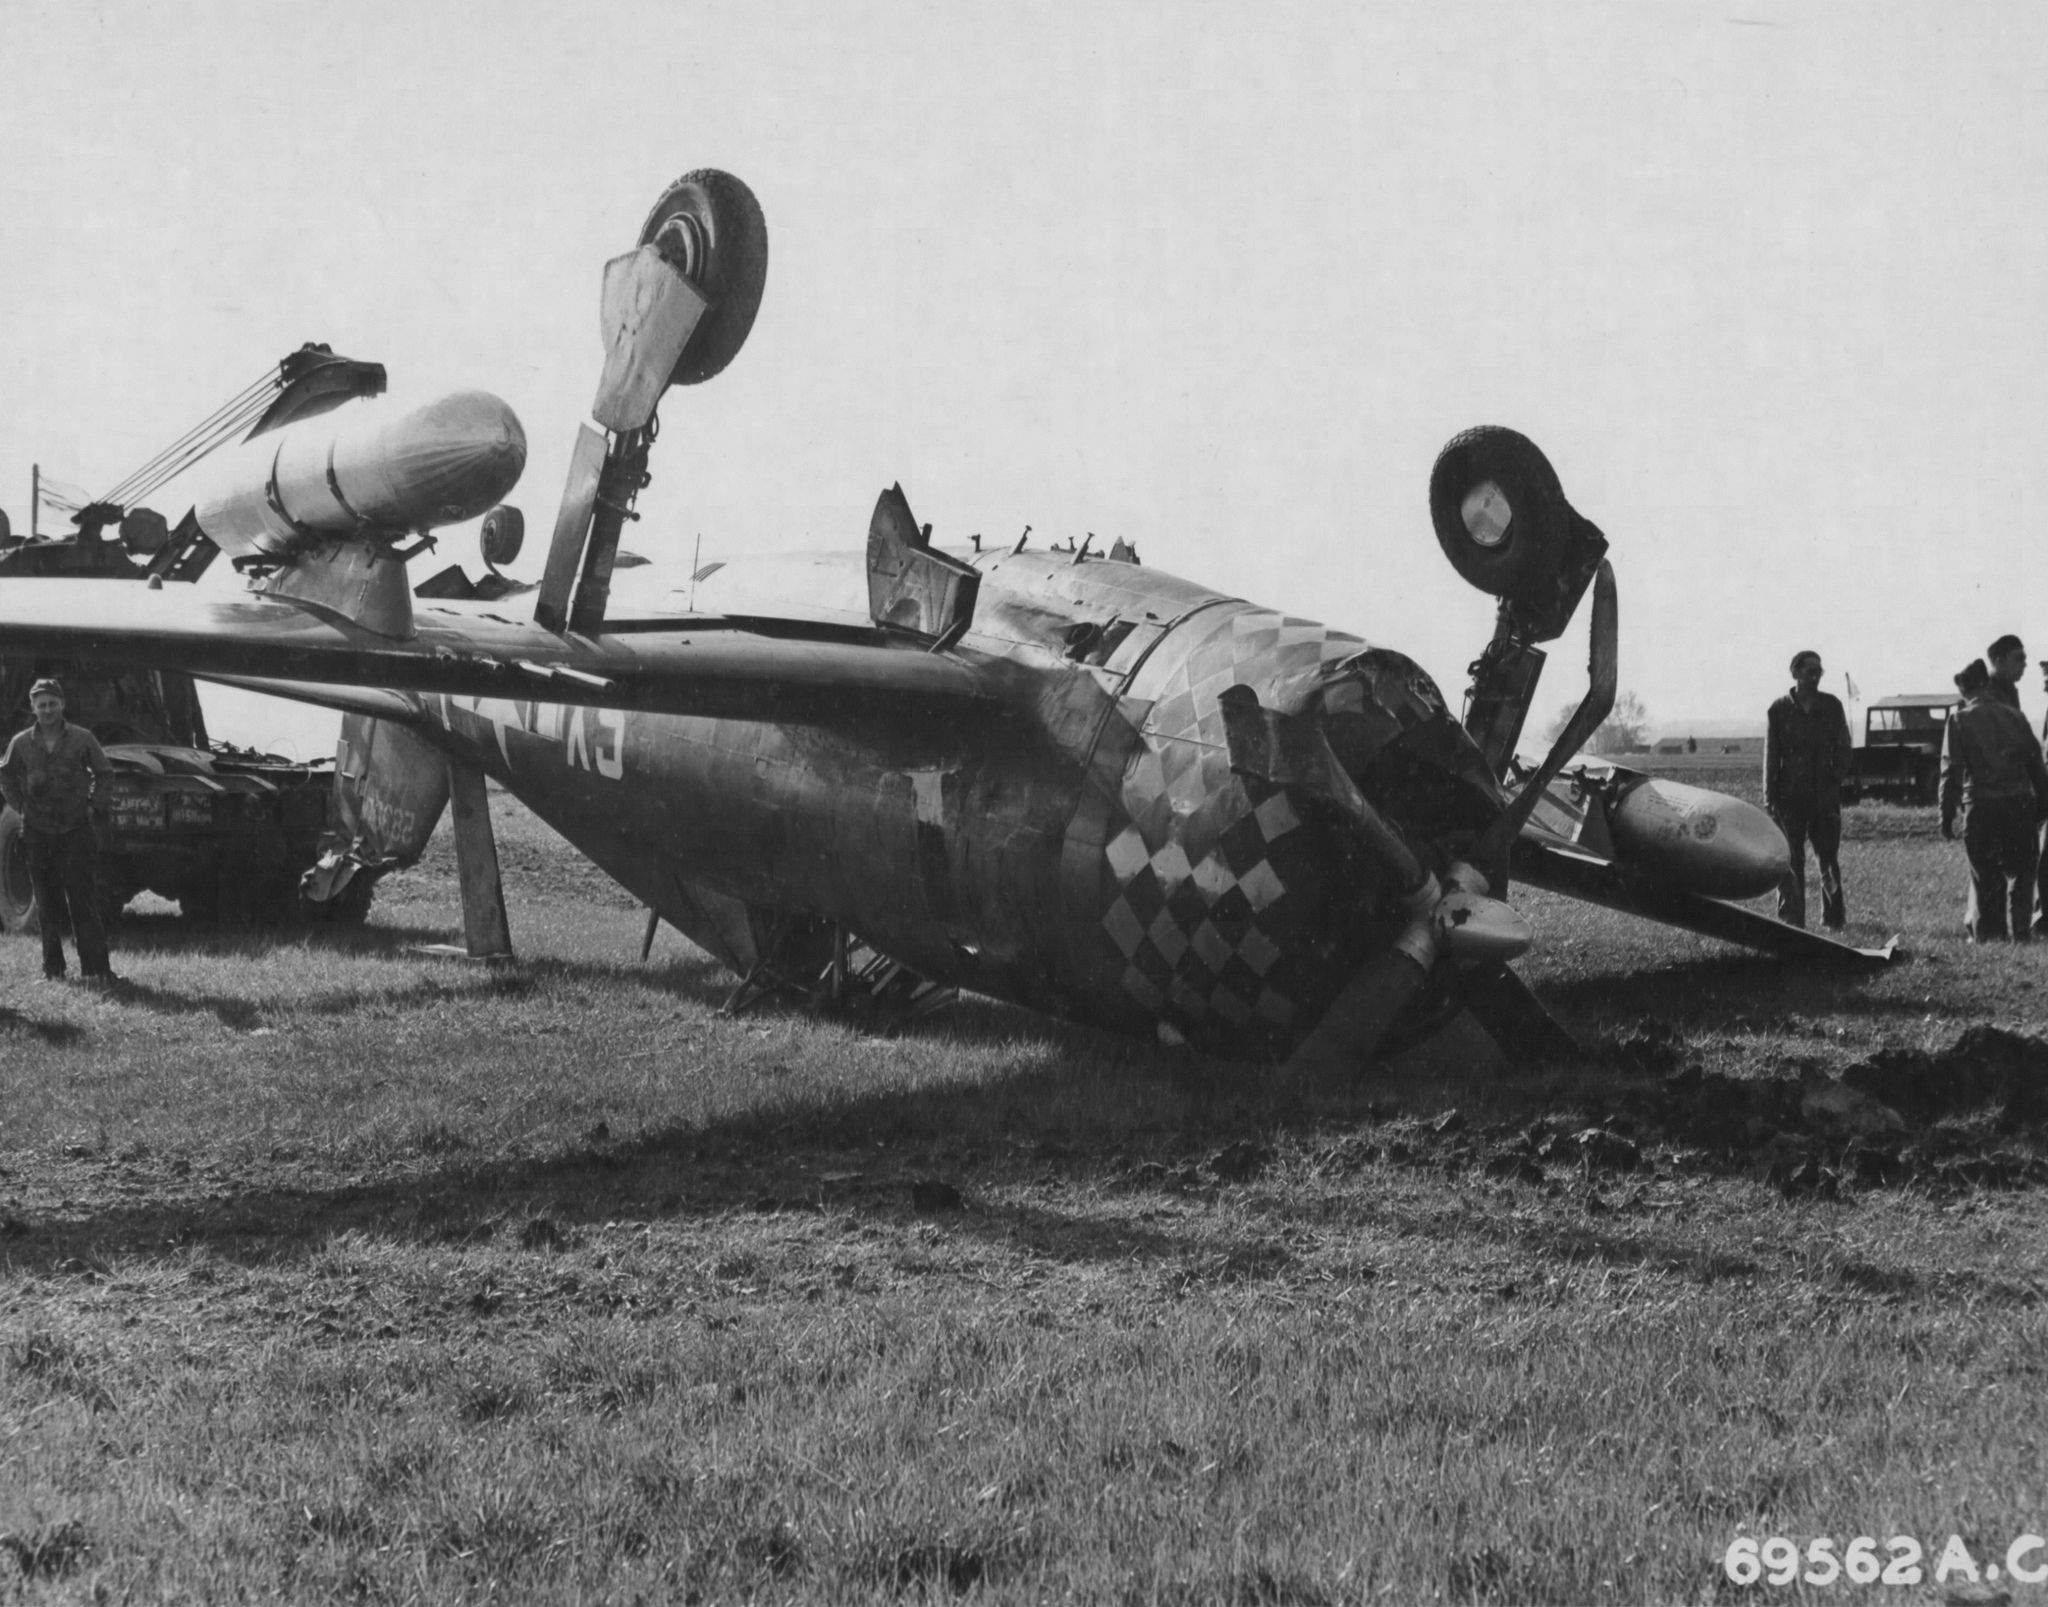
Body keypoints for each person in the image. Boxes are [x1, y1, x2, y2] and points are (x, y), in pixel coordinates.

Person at [0, 678, 116, 981]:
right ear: (33, 708)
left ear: (62, 704)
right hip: (38, 832)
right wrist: (21, 806)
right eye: (42, 705)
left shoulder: (82, 738)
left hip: (76, 829)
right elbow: (6, 775)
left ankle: (96, 970)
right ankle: (53, 970)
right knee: (47, 903)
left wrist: (94, 806)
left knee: (83, 899)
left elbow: (104, 773)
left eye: (53, 703)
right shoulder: (22, 742)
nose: (48, 710)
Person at [1938, 658, 2048, 942]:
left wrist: (1946, 812)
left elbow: (1951, 772)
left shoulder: (1960, 719)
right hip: (2019, 802)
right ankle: (2021, 932)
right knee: (2023, 871)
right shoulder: (2015, 716)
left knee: (1986, 874)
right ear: (1985, 683)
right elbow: (2036, 762)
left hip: (1982, 806)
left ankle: (1991, 935)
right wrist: (2043, 803)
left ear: (1964, 691)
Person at [1763, 649, 1852, 929]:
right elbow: (1771, 755)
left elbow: (1845, 747)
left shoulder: (1833, 706)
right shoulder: (1778, 710)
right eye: (1810, 671)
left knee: (1828, 860)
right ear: (1795, 673)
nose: (1815, 677)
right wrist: (1769, 797)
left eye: (1819, 672)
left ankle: (1834, 918)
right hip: (1789, 800)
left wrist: (1834, 777)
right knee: (1790, 862)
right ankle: (1791, 920)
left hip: (1824, 799)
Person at [1987, 633, 2027, 711]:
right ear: (2000, 662)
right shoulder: (1983, 696)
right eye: (2018, 658)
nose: (2024, 664)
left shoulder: (2008, 690)